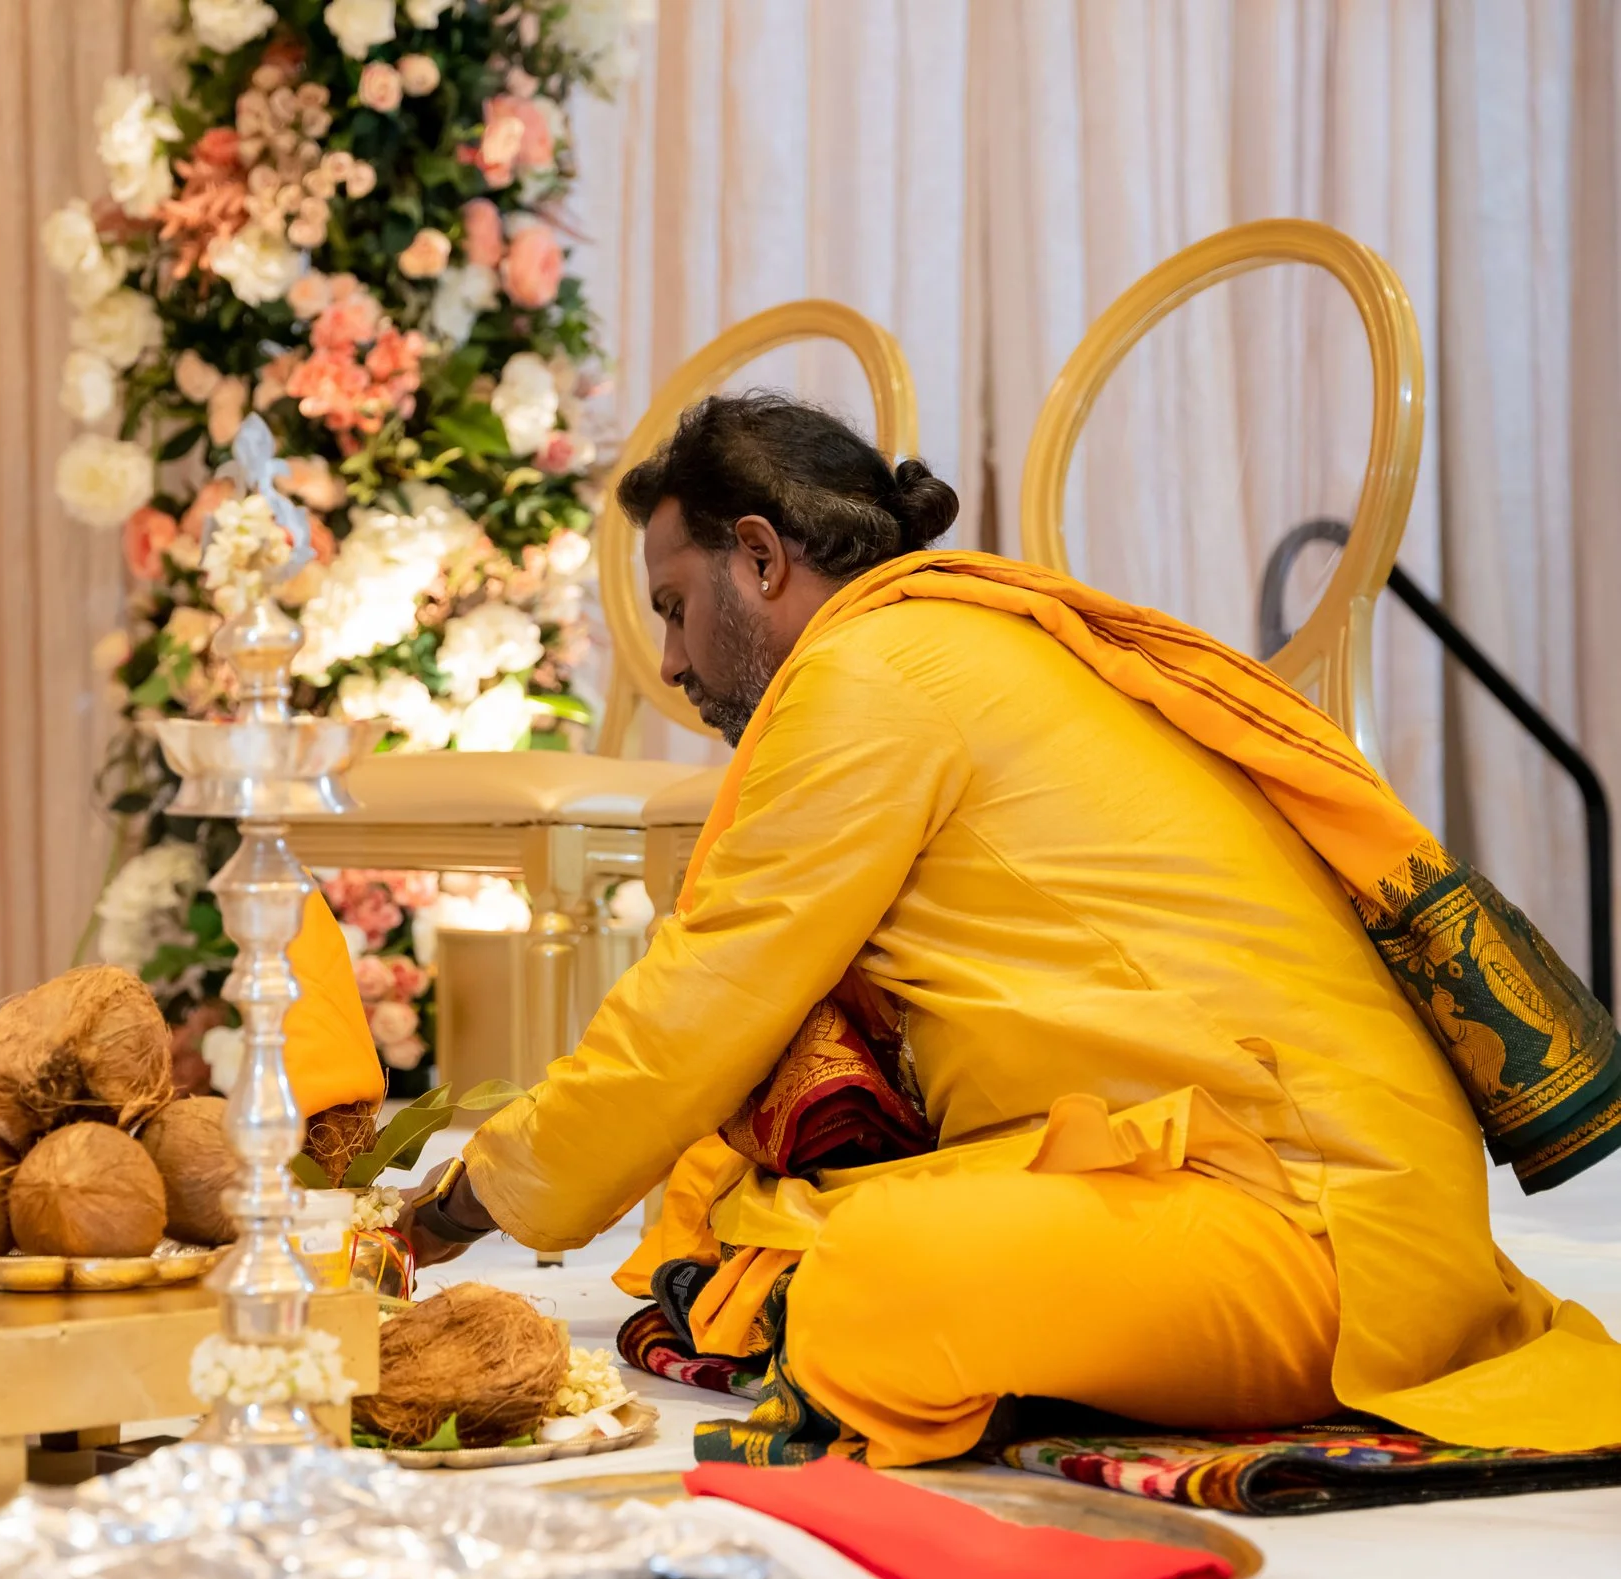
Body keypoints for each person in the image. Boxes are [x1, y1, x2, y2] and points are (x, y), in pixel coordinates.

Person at [405, 392, 1621, 1467]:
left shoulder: (870, 676)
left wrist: (469, 1197)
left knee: (873, 1273)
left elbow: (697, 1008)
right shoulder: (936, 644)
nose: (669, 659)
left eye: (674, 606)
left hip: (1318, 1226)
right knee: (784, 1223)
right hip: (1224, 1167)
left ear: (762, 558)